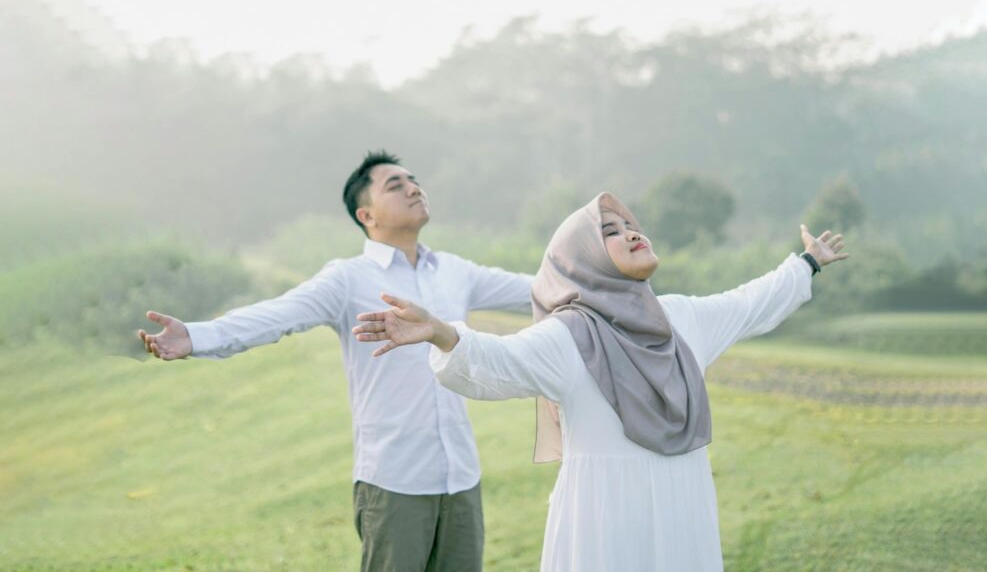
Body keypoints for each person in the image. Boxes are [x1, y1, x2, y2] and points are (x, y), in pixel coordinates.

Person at [352, 192, 848, 571]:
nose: (633, 232)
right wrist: (441, 333)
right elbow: (499, 362)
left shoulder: (681, 320)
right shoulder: (571, 335)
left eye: (633, 225)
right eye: (611, 230)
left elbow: (750, 303)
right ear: (584, 258)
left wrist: (806, 263)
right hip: (604, 517)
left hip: (682, 506)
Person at [136, 150, 533, 572]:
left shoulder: (455, 272)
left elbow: (537, 290)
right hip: (394, 482)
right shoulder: (349, 278)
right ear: (367, 215)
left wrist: (607, 265)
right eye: (395, 186)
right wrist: (196, 336)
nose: (414, 188)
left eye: (414, 181)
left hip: (461, 479)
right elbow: (278, 315)